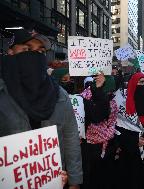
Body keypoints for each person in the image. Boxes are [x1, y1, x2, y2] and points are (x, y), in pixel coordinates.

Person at [0, 42, 83, 188]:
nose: (34, 55)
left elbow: (70, 138)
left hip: (55, 180)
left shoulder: (60, 95)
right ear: (12, 53)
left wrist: (74, 181)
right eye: (27, 49)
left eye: (41, 51)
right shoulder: (3, 93)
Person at [114, 72, 144, 189]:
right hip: (130, 155)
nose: (143, 85)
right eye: (140, 82)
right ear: (133, 84)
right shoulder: (123, 105)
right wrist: (135, 141)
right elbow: (119, 131)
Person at [80, 74, 119, 189]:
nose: (109, 94)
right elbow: (96, 116)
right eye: (107, 92)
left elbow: (113, 122)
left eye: (110, 92)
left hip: (108, 146)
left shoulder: (113, 101)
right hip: (89, 147)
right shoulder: (84, 99)